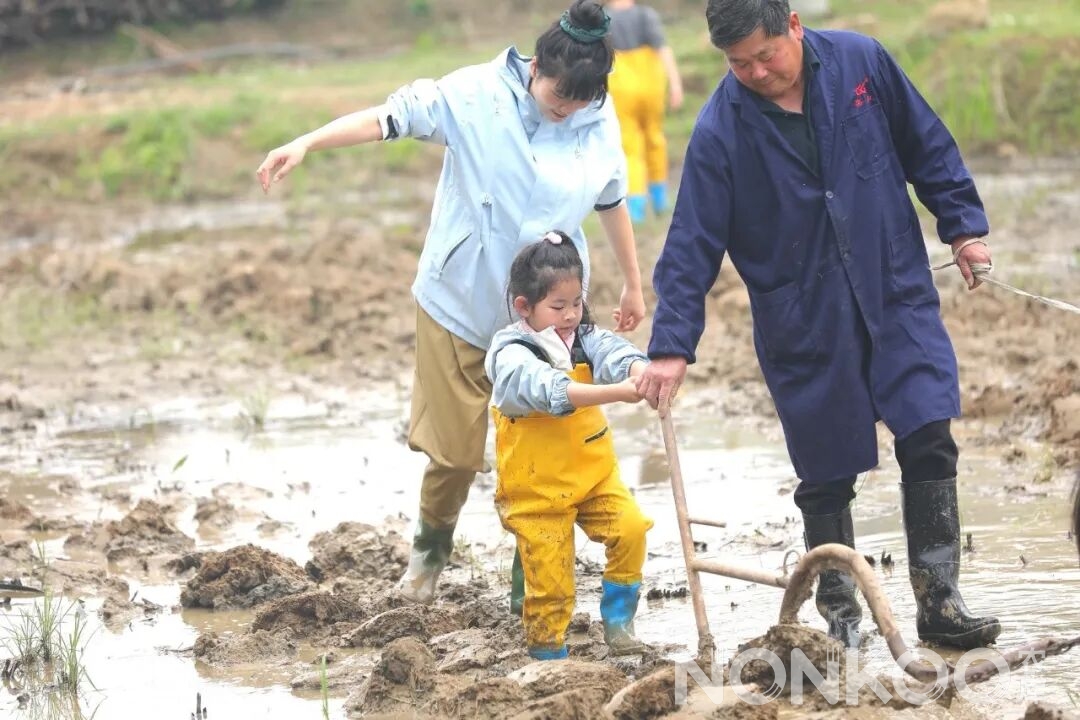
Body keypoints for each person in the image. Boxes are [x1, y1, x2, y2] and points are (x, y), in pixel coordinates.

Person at [255, 0, 647, 605]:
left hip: (548, 311)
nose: (567, 109)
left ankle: (534, 577)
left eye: (581, 100)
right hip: (462, 301)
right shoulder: (474, 96)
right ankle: (428, 557)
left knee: (545, 446)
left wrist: (632, 282)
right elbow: (390, 117)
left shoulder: (596, 115)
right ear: (536, 67)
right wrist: (308, 141)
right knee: (456, 454)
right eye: (558, 96)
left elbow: (611, 197)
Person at [637, 0, 1001, 650]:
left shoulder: (861, 63)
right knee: (827, 468)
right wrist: (671, 345)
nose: (755, 72)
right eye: (738, 63)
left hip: (892, 285)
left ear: (794, 27)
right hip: (802, 311)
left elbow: (925, 143)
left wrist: (963, 227)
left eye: (765, 55)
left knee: (928, 430)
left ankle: (940, 602)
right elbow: (692, 240)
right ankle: (841, 622)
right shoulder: (721, 128)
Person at [486, 232, 653, 659]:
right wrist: (618, 392)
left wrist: (639, 372)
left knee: (631, 528)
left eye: (577, 303)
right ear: (524, 306)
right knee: (551, 587)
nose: (571, 315)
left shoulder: (584, 337)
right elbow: (548, 389)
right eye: (558, 306)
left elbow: (616, 353)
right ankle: (548, 657)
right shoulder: (510, 353)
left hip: (594, 476)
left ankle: (619, 624)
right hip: (536, 491)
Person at [605, 0, 684, 223]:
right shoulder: (646, 15)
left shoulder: (603, 19)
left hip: (620, 87)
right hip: (651, 85)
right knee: (655, 137)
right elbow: (663, 49)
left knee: (629, 145)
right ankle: (660, 198)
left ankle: (636, 204)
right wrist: (675, 84)